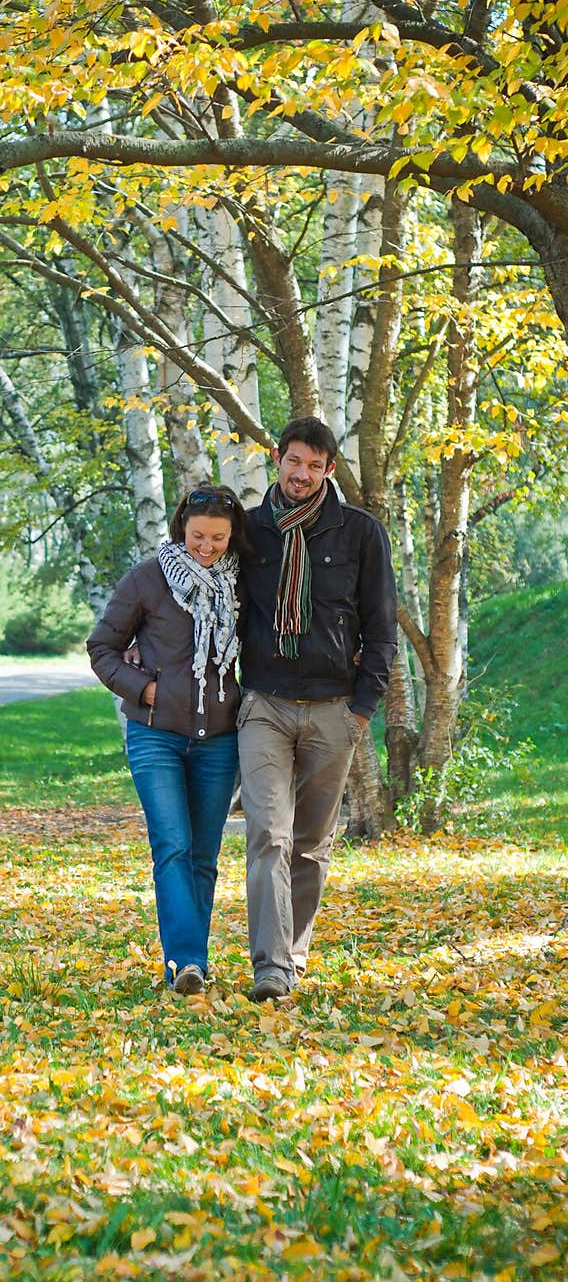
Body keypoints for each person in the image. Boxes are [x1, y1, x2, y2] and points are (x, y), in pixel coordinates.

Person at [238, 416, 398, 1000]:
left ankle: (292, 954)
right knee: (268, 835)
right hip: (265, 705)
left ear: (329, 470)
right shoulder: (249, 530)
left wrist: (361, 711)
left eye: (314, 465)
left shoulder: (361, 533)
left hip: (334, 710)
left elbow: (382, 629)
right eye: (293, 461)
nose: (301, 474)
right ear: (277, 459)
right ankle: (271, 968)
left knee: (309, 844)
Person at [86, 485, 253, 994]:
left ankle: (191, 963)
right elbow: (102, 648)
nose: (207, 547)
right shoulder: (149, 577)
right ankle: (186, 959)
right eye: (198, 535)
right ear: (182, 527)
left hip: (218, 738)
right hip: (155, 735)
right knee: (173, 846)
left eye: (218, 538)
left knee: (203, 853)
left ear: (232, 535)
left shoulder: (246, 582)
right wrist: (148, 689)